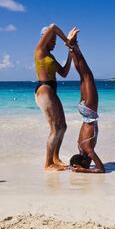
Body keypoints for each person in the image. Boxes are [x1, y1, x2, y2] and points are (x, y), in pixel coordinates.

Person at [34, 23, 74, 171]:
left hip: (52, 90)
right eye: (52, 41)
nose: (54, 44)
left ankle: (55, 158)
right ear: (46, 38)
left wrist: (70, 54)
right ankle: (48, 163)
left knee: (62, 127)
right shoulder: (40, 51)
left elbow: (64, 73)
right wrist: (67, 40)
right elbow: (53, 26)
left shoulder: (50, 56)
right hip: (44, 90)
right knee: (54, 128)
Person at [67, 28, 105, 173]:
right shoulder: (79, 146)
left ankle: (72, 45)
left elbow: (101, 170)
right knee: (83, 75)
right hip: (83, 111)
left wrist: (84, 170)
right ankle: (72, 47)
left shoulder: (88, 150)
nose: (92, 162)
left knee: (87, 75)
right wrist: (77, 167)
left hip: (89, 112)